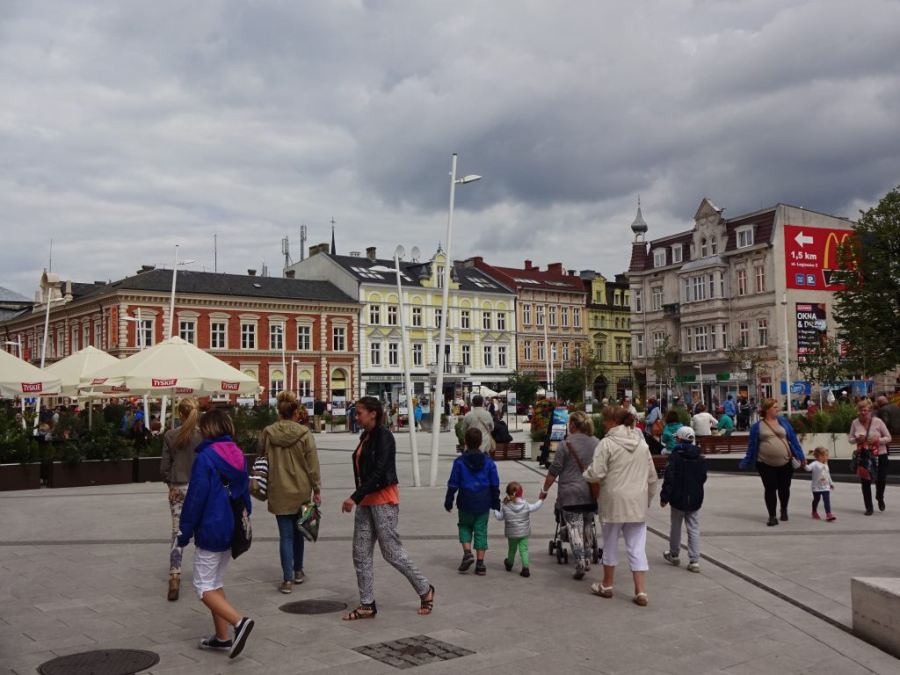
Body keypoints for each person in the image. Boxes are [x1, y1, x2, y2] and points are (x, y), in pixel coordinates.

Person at [341, 397, 434, 620]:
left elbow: (380, 471)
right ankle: (367, 604)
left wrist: (354, 497)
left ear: (373, 414)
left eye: (360, 413)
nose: (356, 416)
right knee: (360, 553)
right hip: (366, 501)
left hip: (383, 500)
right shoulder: (366, 436)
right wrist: (360, 497)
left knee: (391, 552)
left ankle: (425, 589)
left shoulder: (384, 437)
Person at [177, 409, 254, 659]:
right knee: (215, 583)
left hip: (211, 528)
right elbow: (244, 493)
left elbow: (195, 499)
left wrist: (184, 532)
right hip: (231, 526)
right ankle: (222, 638)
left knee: (202, 587)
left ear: (208, 429)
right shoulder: (238, 454)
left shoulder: (205, 458)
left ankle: (239, 622)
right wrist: (245, 518)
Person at [583, 408, 657, 607]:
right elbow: (652, 477)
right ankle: (640, 590)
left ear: (613, 421)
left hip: (613, 502)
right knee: (637, 546)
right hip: (637, 503)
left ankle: (607, 585)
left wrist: (586, 474)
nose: (603, 424)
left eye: (605, 420)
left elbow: (596, 473)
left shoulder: (606, 443)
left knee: (610, 543)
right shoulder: (642, 445)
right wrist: (647, 499)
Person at [258, 391, 321, 594]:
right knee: (300, 532)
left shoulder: (268, 432)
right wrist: (317, 488)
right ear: (296, 412)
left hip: (278, 489)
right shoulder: (305, 434)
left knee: (285, 536)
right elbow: (312, 465)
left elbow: (261, 456)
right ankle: (298, 571)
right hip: (302, 489)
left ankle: (287, 580)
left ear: (279, 411)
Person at [539, 410, 600, 580]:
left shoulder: (565, 445)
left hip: (570, 494)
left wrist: (544, 490)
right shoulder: (597, 443)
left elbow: (554, 470)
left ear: (572, 425)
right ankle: (587, 557)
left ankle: (580, 561)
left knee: (574, 528)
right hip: (591, 492)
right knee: (587, 524)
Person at [739, 398, 806, 526]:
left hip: (786, 462)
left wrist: (801, 457)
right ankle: (772, 516)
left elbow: (793, 440)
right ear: (767, 409)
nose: (777, 409)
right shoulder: (757, 426)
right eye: (774, 407)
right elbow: (752, 446)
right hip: (765, 463)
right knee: (770, 489)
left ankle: (784, 509)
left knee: (784, 488)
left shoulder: (783, 422)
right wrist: (746, 461)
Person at [160, 398, 202, 601]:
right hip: (199, 489)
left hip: (178, 486)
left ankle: (175, 576)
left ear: (180, 414)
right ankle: (203, 572)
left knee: (177, 532)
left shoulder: (170, 435)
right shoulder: (203, 436)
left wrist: (170, 483)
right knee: (201, 530)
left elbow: (164, 467)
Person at [445, 427, 500, 576]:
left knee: (464, 526)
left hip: (465, 500)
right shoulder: (489, 462)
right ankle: (480, 564)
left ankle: (467, 553)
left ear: (465, 442)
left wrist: (449, 499)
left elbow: (453, 483)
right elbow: (494, 483)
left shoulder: (459, 462)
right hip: (483, 501)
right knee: (481, 530)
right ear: (481, 442)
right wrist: (496, 501)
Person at [660, 427, 707, 573]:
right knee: (693, 527)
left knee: (675, 526)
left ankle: (674, 554)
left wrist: (664, 497)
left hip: (678, 497)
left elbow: (669, 478)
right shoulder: (700, 457)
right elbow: (703, 477)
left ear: (680, 439)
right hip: (695, 497)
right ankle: (694, 560)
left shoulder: (675, 456)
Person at [850, 400, 892, 515]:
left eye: (865, 410)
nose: (863, 412)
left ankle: (880, 497)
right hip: (864, 455)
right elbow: (850, 439)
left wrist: (877, 440)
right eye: (861, 410)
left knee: (881, 479)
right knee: (865, 481)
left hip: (880, 455)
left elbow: (888, 437)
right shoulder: (855, 423)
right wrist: (857, 439)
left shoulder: (878, 422)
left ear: (870, 411)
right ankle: (869, 507)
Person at [494, 481, 543, 577]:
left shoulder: (505, 506)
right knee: (524, 549)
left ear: (508, 492)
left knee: (512, 549)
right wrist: (541, 500)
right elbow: (535, 506)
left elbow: (499, 517)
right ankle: (525, 568)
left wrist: (495, 509)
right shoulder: (526, 505)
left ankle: (509, 564)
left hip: (512, 533)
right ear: (521, 493)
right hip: (524, 532)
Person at [805, 447, 835, 521]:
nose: (827, 457)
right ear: (820, 456)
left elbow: (828, 474)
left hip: (825, 486)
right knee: (816, 499)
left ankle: (828, 514)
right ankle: (814, 511)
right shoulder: (814, 464)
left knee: (826, 499)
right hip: (816, 486)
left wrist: (831, 483)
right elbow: (808, 468)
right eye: (826, 455)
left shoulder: (826, 464)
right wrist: (804, 464)